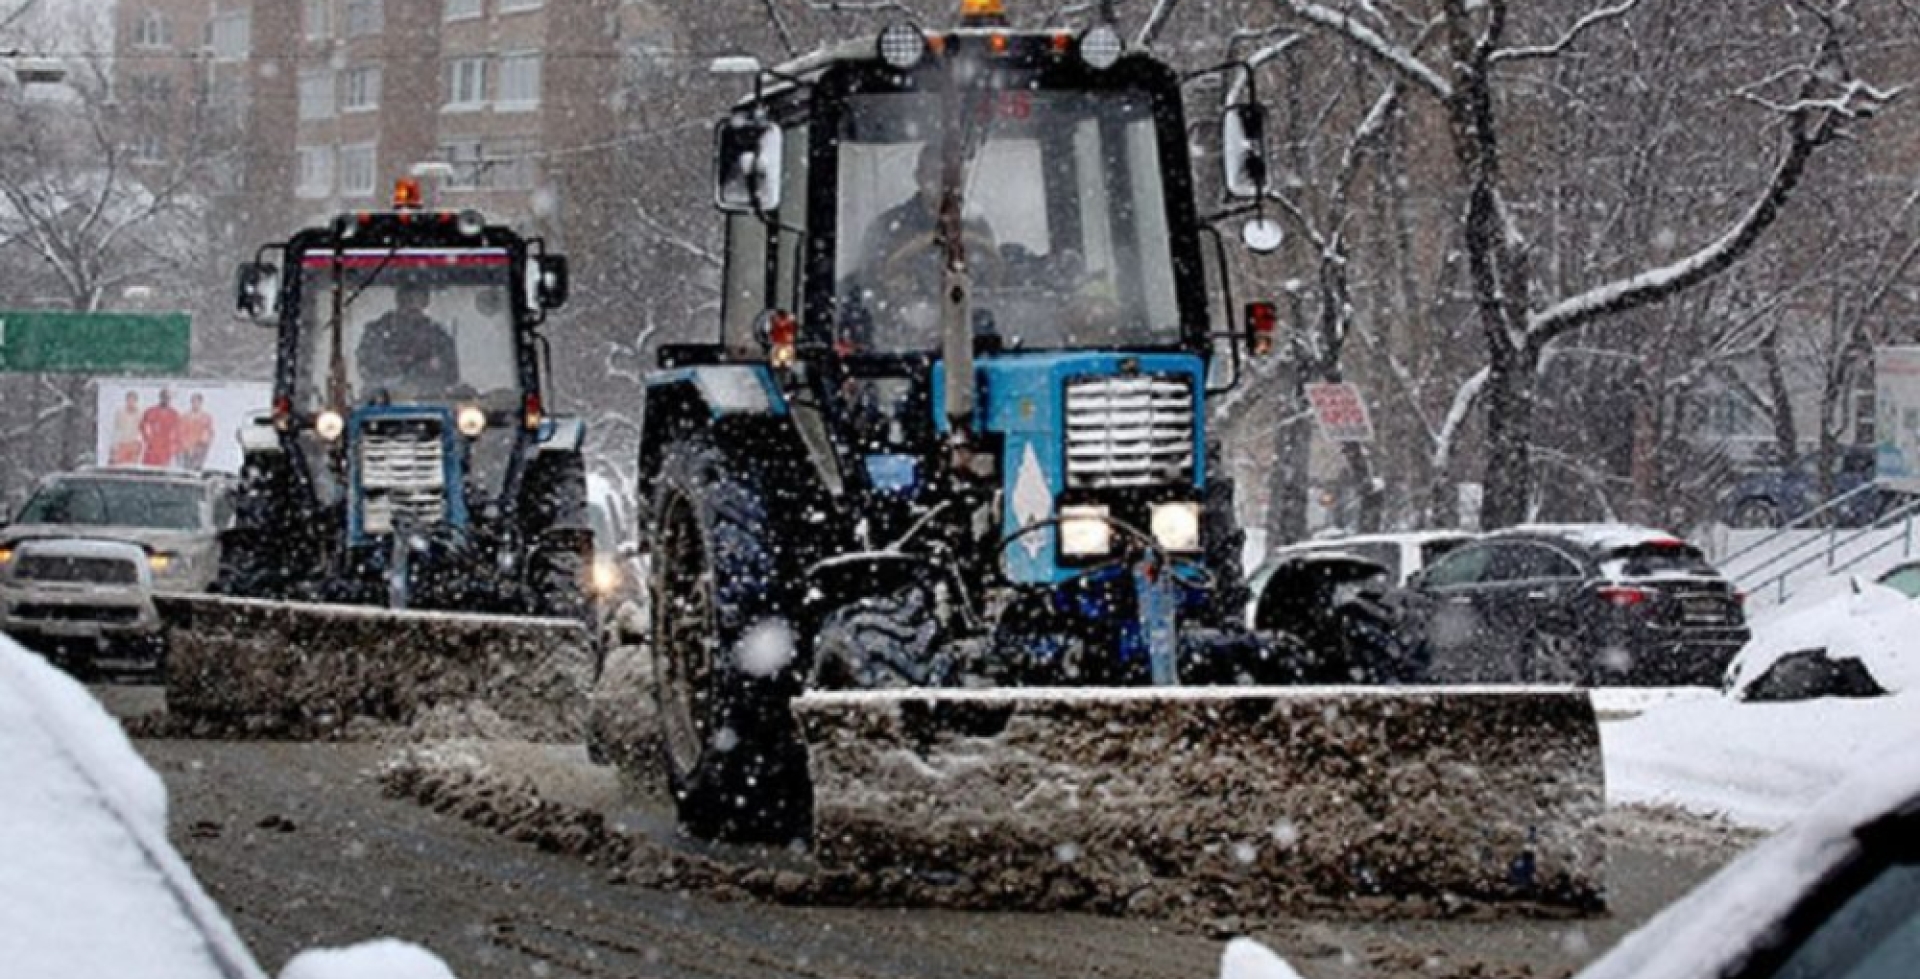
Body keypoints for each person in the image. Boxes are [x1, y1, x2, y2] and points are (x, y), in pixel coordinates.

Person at [357, 283, 459, 391]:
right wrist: (396, 365)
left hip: (431, 400)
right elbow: (367, 365)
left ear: (425, 302)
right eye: (407, 300)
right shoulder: (377, 332)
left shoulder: (438, 336)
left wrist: (427, 369)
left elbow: (451, 375)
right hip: (383, 400)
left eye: (417, 299)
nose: (412, 304)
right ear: (398, 301)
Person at [139, 388, 180, 468]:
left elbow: (178, 432)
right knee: (148, 468)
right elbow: (142, 425)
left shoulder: (174, 414)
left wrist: (174, 445)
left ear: (170, 399)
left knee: (163, 469)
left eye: (168, 398)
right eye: (164, 397)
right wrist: (147, 438)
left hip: (166, 446)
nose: (165, 399)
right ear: (160, 397)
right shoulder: (151, 411)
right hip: (153, 445)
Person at [175, 392, 215, 470]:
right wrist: (187, 447)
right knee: (185, 468)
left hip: (199, 449)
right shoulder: (185, 417)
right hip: (185, 450)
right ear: (191, 402)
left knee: (197, 469)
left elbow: (209, 434)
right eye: (193, 402)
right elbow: (180, 434)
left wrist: (203, 446)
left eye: (197, 402)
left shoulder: (206, 418)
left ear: (201, 403)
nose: (195, 404)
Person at [109, 391, 143, 465]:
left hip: (134, 444)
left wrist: (139, 445)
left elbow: (141, 431)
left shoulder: (140, 414)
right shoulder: (120, 412)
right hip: (122, 444)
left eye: (133, 400)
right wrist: (113, 446)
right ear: (126, 400)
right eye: (129, 400)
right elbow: (116, 429)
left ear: (136, 401)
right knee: (120, 466)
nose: (130, 402)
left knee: (133, 467)